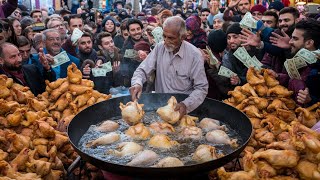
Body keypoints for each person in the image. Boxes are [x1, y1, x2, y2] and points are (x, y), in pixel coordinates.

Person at [130, 16, 208, 117]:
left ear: (183, 37)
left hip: (182, 111)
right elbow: (142, 70)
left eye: (171, 38)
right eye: (164, 36)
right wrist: (137, 83)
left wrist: (186, 104)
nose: (166, 41)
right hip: (160, 107)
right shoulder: (159, 48)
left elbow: (201, 88)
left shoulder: (194, 55)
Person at [120, 18, 149, 87]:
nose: (136, 32)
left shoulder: (149, 41)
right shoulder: (126, 47)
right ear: (128, 32)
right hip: (135, 83)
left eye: (138, 29)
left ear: (142, 29)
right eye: (133, 30)